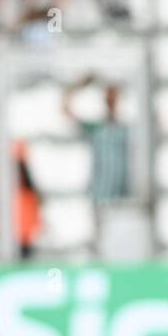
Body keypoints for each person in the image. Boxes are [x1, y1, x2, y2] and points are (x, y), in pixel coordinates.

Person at [62, 75, 131, 252]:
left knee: (122, 244)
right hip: (100, 196)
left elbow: (159, 125)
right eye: (108, 97)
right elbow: (66, 111)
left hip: (124, 197)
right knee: (101, 243)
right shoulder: (96, 128)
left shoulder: (127, 129)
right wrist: (77, 86)